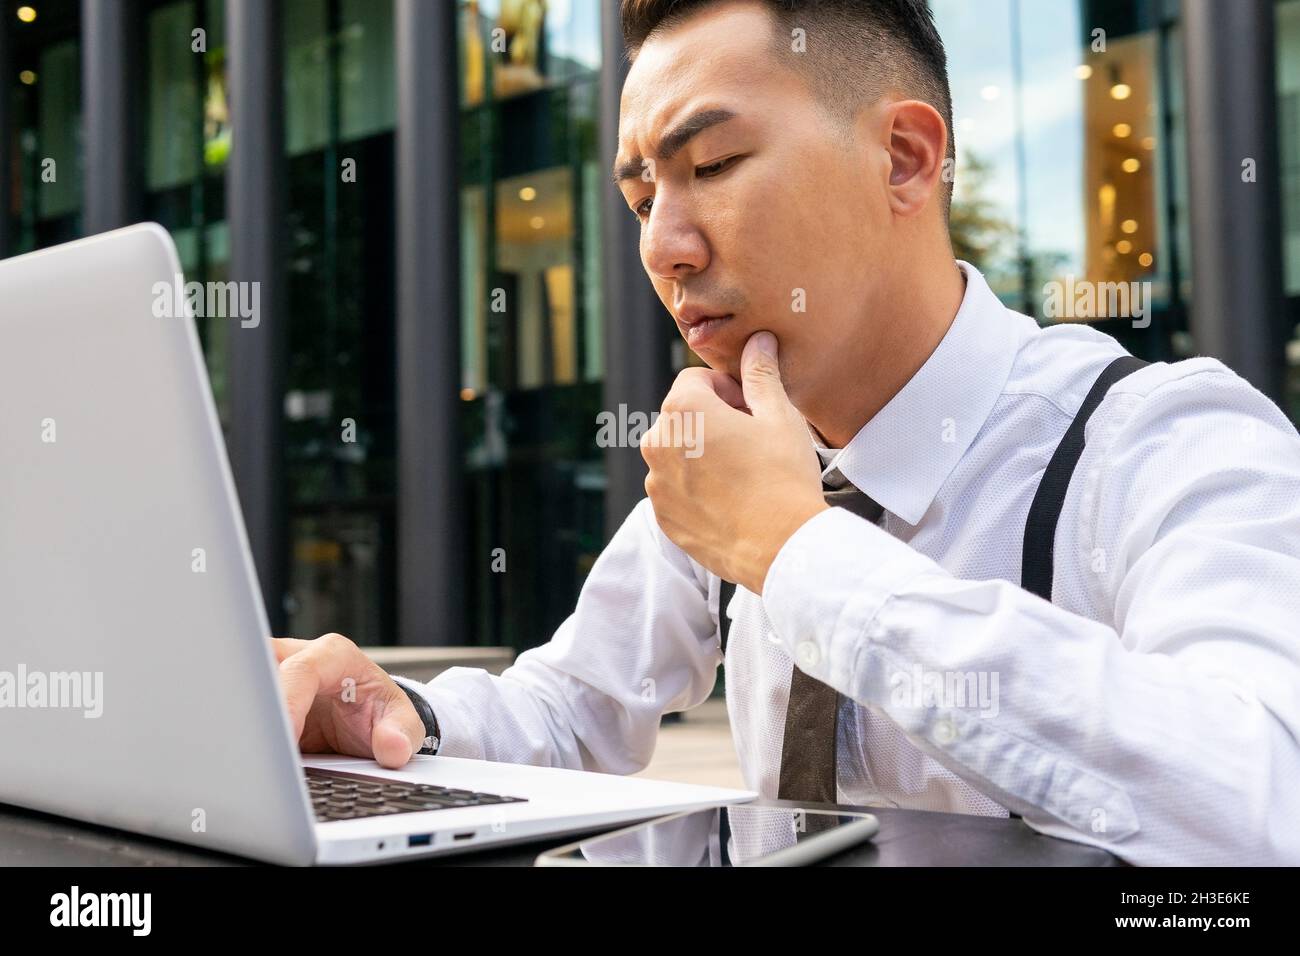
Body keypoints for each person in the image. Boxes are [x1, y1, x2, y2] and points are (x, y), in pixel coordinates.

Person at [274, 0, 1300, 865]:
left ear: (904, 159)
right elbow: (570, 707)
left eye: (712, 163)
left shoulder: (1160, 439)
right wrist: (386, 714)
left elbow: (1264, 798)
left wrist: (797, 552)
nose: (663, 248)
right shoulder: (747, 450)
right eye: (640, 197)